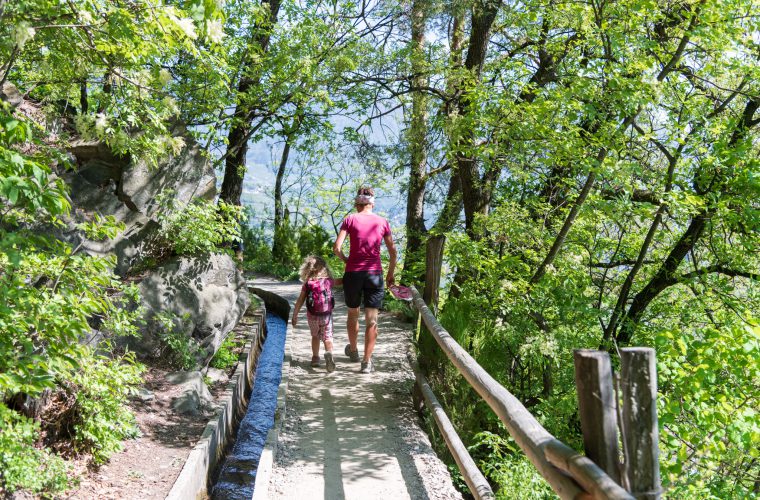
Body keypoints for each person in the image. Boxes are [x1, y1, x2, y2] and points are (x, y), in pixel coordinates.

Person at [333, 186, 397, 374]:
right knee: (372, 320)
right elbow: (393, 252)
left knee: (353, 314)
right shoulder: (383, 222)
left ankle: (353, 351)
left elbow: (336, 247)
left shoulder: (350, 219)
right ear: (372, 202)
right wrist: (390, 275)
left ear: (357, 202)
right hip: (374, 274)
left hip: (353, 274)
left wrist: (347, 260)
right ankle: (366, 362)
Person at [291, 256, 342, 373]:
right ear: (324, 268)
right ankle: (329, 354)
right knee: (327, 337)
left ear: (307, 270)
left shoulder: (307, 284)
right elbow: (341, 281)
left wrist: (295, 315)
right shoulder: (328, 281)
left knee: (315, 336)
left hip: (312, 316)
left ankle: (315, 358)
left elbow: (300, 300)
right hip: (326, 316)